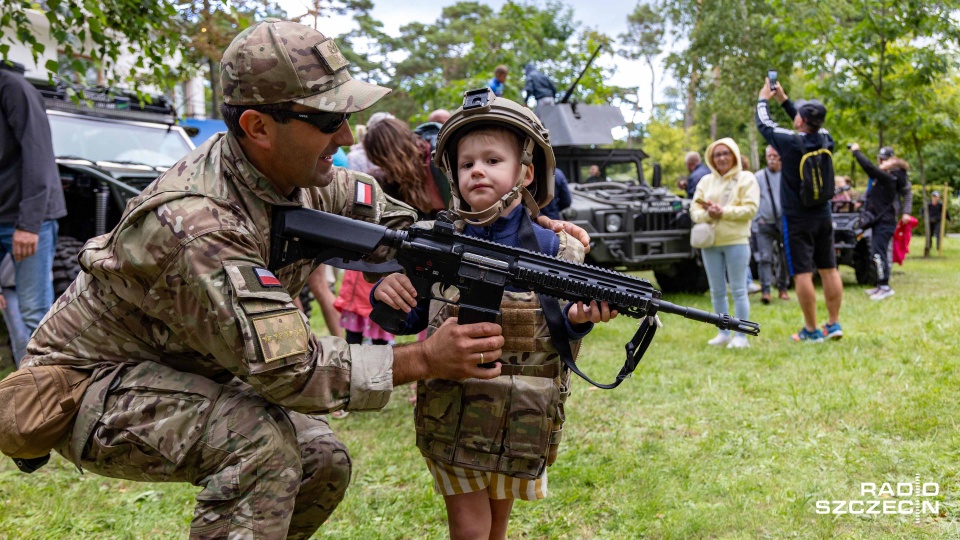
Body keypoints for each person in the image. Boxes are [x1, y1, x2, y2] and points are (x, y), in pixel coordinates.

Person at [14, 20, 517, 539]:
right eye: (328, 120)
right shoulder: (199, 224)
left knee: (322, 457)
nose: (345, 136)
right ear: (258, 127)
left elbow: (411, 227)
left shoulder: (302, 178)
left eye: (348, 116)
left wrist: (525, 229)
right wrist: (424, 360)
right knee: (258, 442)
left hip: (190, 362)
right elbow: (292, 370)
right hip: (89, 384)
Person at [371, 89, 617, 540]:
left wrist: (582, 317)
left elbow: (556, 329)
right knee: (470, 525)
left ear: (525, 173)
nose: (478, 170)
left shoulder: (552, 248)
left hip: (519, 421)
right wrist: (389, 295)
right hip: (454, 422)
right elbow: (412, 318)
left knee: (497, 523)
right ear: (452, 173)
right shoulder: (436, 244)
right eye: (467, 164)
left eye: (492, 161)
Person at [756, 78, 843, 342]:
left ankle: (811, 329)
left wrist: (764, 98)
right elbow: (803, 121)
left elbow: (764, 124)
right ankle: (834, 324)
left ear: (800, 121)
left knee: (803, 273)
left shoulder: (790, 142)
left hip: (796, 218)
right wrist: (784, 99)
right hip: (824, 214)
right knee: (829, 269)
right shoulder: (826, 138)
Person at [0, 60, 66, 338]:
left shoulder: (13, 87)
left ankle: (43, 380)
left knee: (34, 312)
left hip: (25, 218)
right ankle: (20, 376)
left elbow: (38, 156)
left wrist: (28, 225)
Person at [691, 138, 759, 349]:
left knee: (739, 290)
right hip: (710, 243)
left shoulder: (746, 178)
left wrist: (723, 212)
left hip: (736, 241)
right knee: (717, 290)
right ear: (711, 158)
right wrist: (710, 214)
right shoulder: (705, 181)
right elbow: (694, 211)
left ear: (735, 155)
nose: (721, 158)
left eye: (725, 153)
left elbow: (750, 209)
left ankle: (741, 337)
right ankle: (723, 332)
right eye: (717, 154)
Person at [849, 144, 913, 300]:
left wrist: (857, 152)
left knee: (879, 253)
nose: (880, 163)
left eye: (884, 161)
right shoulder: (887, 178)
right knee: (876, 253)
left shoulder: (889, 177)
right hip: (880, 221)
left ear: (891, 164)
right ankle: (880, 285)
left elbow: (868, 167)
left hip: (885, 221)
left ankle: (885, 286)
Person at [752, 145, 790, 303]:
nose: (772, 159)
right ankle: (765, 290)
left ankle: (783, 288)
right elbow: (753, 199)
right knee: (765, 257)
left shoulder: (787, 175)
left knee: (784, 257)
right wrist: (757, 219)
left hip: (783, 223)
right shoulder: (758, 177)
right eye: (769, 156)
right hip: (764, 223)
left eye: (775, 155)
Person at [0, 254, 29, 367]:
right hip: (8, 287)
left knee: (42, 333)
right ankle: (25, 375)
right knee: (21, 338)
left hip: (37, 286)